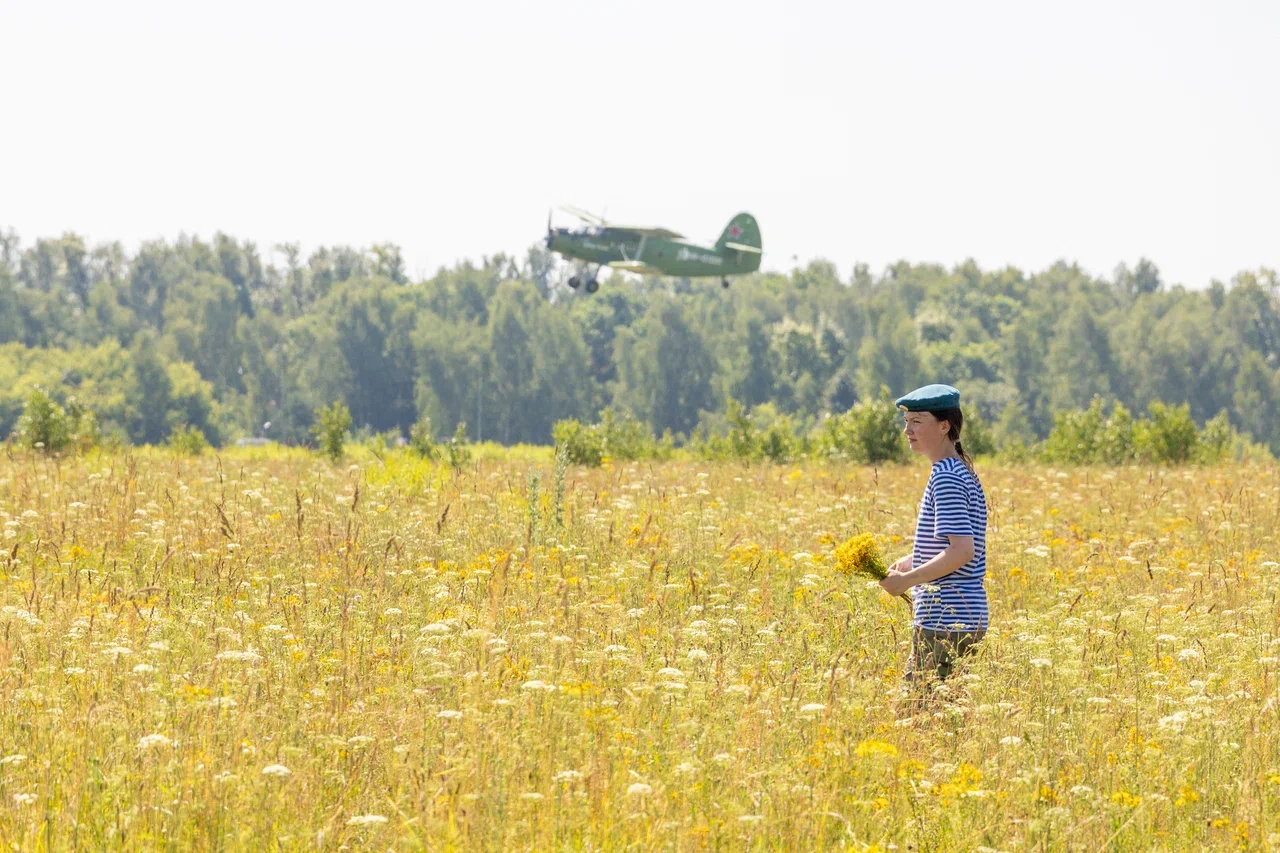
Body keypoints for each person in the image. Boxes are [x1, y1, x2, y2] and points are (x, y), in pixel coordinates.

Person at [878, 383, 989, 691]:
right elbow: (960, 546)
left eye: (917, 421)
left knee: (918, 715)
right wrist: (911, 561)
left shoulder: (946, 477)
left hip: (946, 618)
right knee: (944, 716)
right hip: (961, 616)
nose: (907, 430)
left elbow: (962, 552)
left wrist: (908, 580)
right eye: (906, 421)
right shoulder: (957, 470)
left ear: (944, 425)